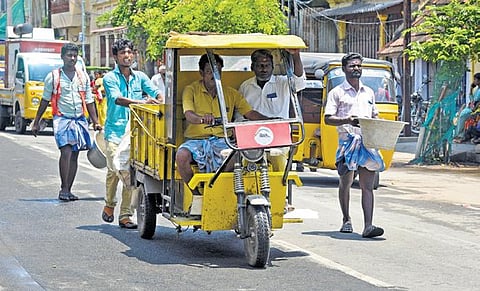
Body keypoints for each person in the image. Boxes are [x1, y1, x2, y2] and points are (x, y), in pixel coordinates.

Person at [176, 53, 268, 194]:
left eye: (218, 71)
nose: (214, 75)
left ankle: (217, 189)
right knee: (181, 156)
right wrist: (201, 119)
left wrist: (272, 120)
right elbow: (189, 115)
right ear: (201, 73)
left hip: (222, 141)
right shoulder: (191, 90)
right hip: (196, 141)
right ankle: (196, 195)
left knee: (238, 153)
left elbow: (250, 113)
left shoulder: (230, 93)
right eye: (209, 71)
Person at [101, 39, 164, 229]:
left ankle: (125, 215)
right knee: (114, 168)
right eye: (122, 53)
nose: (127, 56)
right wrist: (142, 103)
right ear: (115, 57)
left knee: (129, 171)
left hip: (136, 132)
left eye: (129, 52)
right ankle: (109, 203)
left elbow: (156, 93)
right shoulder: (110, 78)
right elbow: (117, 99)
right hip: (115, 130)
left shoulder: (141, 77)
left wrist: (159, 99)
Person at [324, 52, 385, 238]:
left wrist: (379, 123)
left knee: (368, 185)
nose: (356, 68)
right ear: (344, 69)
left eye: (358, 65)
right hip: (346, 142)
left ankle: (368, 225)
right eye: (352, 66)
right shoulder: (337, 93)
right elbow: (328, 119)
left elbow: (375, 116)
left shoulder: (369, 92)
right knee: (346, 182)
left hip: (367, 142)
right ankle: (346, 219)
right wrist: (347, 120)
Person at [31, 43, 102, 201]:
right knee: (66, 151)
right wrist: (36, 121)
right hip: (62, 119)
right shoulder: (54, 76)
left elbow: (89, 101)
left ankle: (68, 189)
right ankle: (63, 188)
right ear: (62, 57)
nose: (72, 58)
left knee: (75, 154)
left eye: (75, 55)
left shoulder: (82, 76)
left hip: (79, 120)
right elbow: (44, 100)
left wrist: (96, 121)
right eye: (69, 55)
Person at [238, 49, 306, 171]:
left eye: (267, 65)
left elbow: (299, 82)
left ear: (273, 67)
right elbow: (239, 114)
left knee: (279, 163)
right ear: (252, 67)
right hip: (251, 137)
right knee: (244, 165)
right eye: (260, 66)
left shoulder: (283, 83)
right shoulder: (245, 86)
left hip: (278, 136)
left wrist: (296, 56)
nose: (264, 69)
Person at [454, 73, 480, 143]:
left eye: (475, 79)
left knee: (463, 115)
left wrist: (474, 107)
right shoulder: (477, 89)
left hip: (476, 109)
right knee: (460, 114)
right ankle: (459, 134)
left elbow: (476, 102)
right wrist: (471, 89)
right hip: (472, 107)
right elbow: (472, 99)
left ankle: (461, 135)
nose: (474, 81)